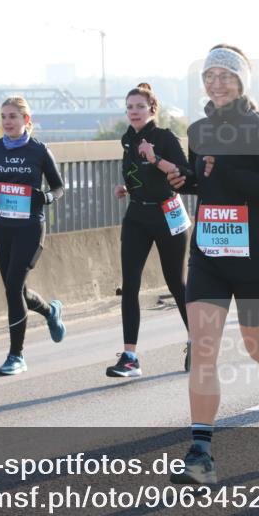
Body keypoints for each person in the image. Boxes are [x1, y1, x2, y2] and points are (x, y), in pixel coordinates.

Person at [164, 44, 259, 484]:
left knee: (258, 346)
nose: (216, 82)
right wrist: (185, 179)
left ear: (241, 81)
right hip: (210, 254)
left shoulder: (258, 127)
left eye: (225, 75)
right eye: (209, 75)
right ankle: (201, 455)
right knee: (203, 352)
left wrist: (226, 173)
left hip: (253, 255)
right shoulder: (197, 129)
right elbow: (206, 182)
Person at [0, 96, 67, 376]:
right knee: (19, 290)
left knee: (13, 288)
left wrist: (47, 198)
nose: (7, 122)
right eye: (3, 116)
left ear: (26, 120)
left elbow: (59, 187)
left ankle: (16, 356)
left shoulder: (38, 151)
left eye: (13, 116)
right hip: (3, 227)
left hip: (30, 228)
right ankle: (51, 311)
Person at [108, 83, 191, 377]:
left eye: (139, 107)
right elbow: (136, 176)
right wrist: (124, 189)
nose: (133, 112)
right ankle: (130, 357)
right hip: (137, 215)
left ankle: (198, 342)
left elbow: (184, 173)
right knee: (129, 285)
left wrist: (155, 157)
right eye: (129, 107)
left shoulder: (164, 137)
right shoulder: (127, 139)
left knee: (175, 283)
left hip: (167, 215)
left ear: (152, 109)